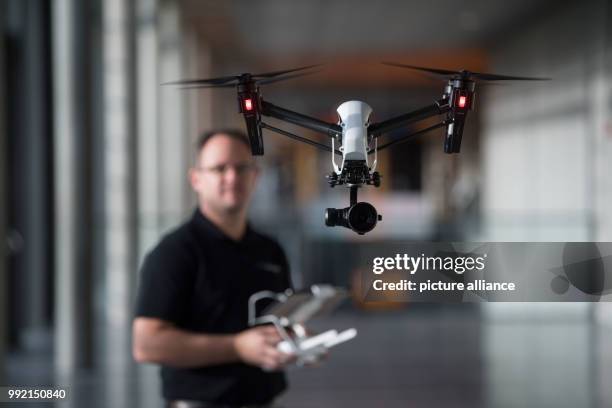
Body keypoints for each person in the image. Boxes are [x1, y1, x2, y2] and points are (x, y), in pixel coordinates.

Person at [132, 129, 294, 408]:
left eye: (241, 168)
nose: (231, 178)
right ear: (196, 179)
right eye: (219, 168)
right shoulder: (173, 253)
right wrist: (237, 347)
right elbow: (147, 344)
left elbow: (279, 321)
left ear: (255, 177)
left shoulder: (270, 250)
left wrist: (297, 341)